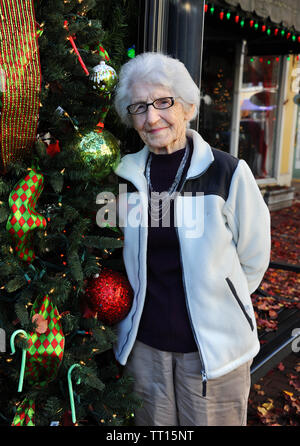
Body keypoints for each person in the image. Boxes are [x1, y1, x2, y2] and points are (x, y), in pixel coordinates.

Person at [112, 52, 271, 426]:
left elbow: (254, 256)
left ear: (185, 106)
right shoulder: (125, 176)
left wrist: (220, 302)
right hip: (145, 347)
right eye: (138, 107)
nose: (151, 118)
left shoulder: (228, 172)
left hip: (213, 352)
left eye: (162, 102)